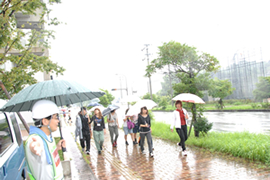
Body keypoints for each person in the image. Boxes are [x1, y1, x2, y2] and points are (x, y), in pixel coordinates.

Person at [24, 100, 66, 180]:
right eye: (55, 117)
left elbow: (47, 157)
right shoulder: (36, 138)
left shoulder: (48, 136)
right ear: (45, 121)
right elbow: (34, 145)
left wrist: (56, 147)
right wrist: (34, 147)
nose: (58, 121)